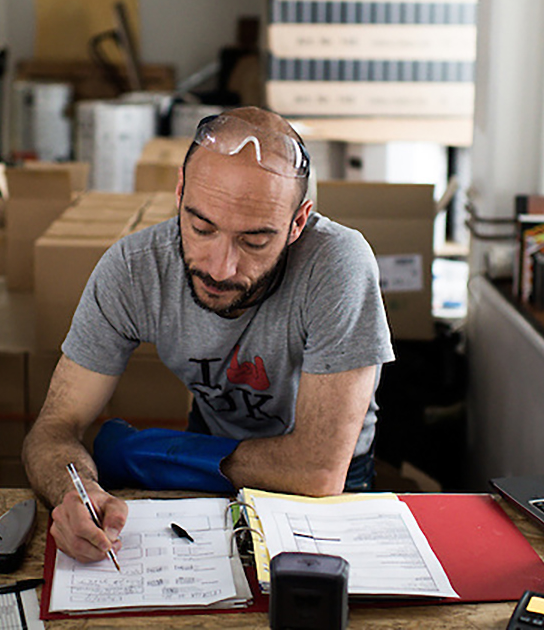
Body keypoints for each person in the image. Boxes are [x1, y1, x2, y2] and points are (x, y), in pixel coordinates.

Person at [23, 107, 394, 564]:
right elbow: (52, 430)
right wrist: (74, 493)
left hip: (332, 481)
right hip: (210, 447)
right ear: (180, 194)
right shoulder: (134, 269)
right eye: (201, 227)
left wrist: (153, 454)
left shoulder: (338, 265)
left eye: (255, 241)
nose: (221, 268)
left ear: (298, 223)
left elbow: (317, 472)